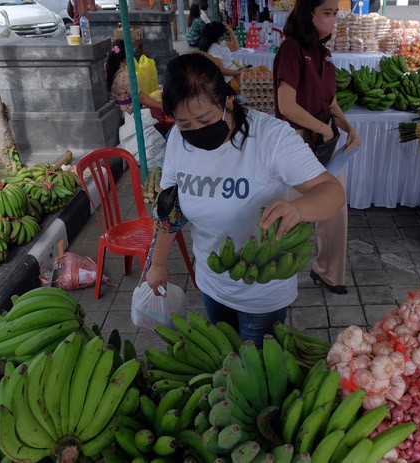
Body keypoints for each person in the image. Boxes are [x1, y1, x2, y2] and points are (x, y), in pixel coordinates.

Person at [145, 54, 345, 343]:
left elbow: (332, 192)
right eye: (185, 123)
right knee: (225, 355)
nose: (196, 130)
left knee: (256, 362)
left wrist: (299, 209)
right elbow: (170, 207)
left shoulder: (271, 137)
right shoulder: (178, 138)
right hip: (211, 281)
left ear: (228, 101)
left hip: (262, 290)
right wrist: (158, 264)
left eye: (205, 119)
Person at [273, 0, 360, 295]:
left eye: (336, 13)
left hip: (326, 141)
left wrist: (348, 127)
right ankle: (276, 279)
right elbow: (287, 105)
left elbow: (330, 101)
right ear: (308, 14)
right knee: (292, 214)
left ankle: (329, 273)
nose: (333, 19)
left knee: (335, 206)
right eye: (327, 13)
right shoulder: (292, 49)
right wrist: (322, 129)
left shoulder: (324, 53)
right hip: (297, 141)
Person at [106, 40, 171, 164]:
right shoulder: (125, 76)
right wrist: (163, 106)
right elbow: (142, 98)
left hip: (122, 110)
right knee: (160, 115)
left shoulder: (113, 73)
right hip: (129, 113)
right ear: (127, 55)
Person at [199, 22, 244, 88]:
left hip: (235, 73)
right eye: (222, 33)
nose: (224, 34)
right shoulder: (214, 48)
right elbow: (221, 70)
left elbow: (235, 47)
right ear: (217, 35)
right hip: (229, 79)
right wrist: (238, 73)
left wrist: (231, 31)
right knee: (257, 76)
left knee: (258, 71)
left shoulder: (221, 43)